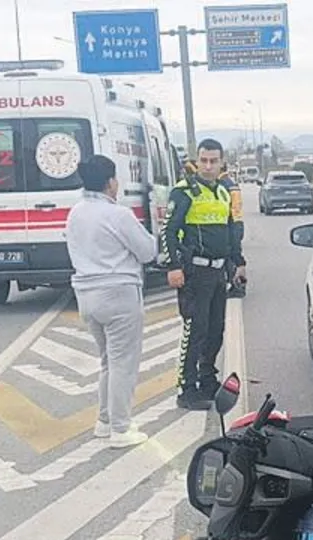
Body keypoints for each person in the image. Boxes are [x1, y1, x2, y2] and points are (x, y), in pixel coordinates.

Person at [66, 154, 159, 447]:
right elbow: (147, 252)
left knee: (107, 361)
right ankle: (121, 428)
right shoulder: (118, 215)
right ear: (109, 183)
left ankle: (104, 421)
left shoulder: (75, 213)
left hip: (86, 295)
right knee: (123, 363)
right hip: (118, 294)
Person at [163, 139, 246, 410]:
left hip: (218, 271)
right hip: (194, 272)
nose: (208, 166)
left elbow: (230, 229)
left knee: (215, 331)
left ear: (222, 162)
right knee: (194, 330)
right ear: (197, 161)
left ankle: (208, 380)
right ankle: (187, 389)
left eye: (213, 161)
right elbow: (169, 231)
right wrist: (173, 266)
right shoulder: (184, 191)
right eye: (204, 161)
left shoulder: (222, 192)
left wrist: (238, 262)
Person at [219, 162, 247, 298]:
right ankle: (237, 284)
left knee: (232, 255)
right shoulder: (230, 183)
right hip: (237, 221)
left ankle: (238, 286)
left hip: (231, 223)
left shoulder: (222, 184)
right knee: (234, 253)